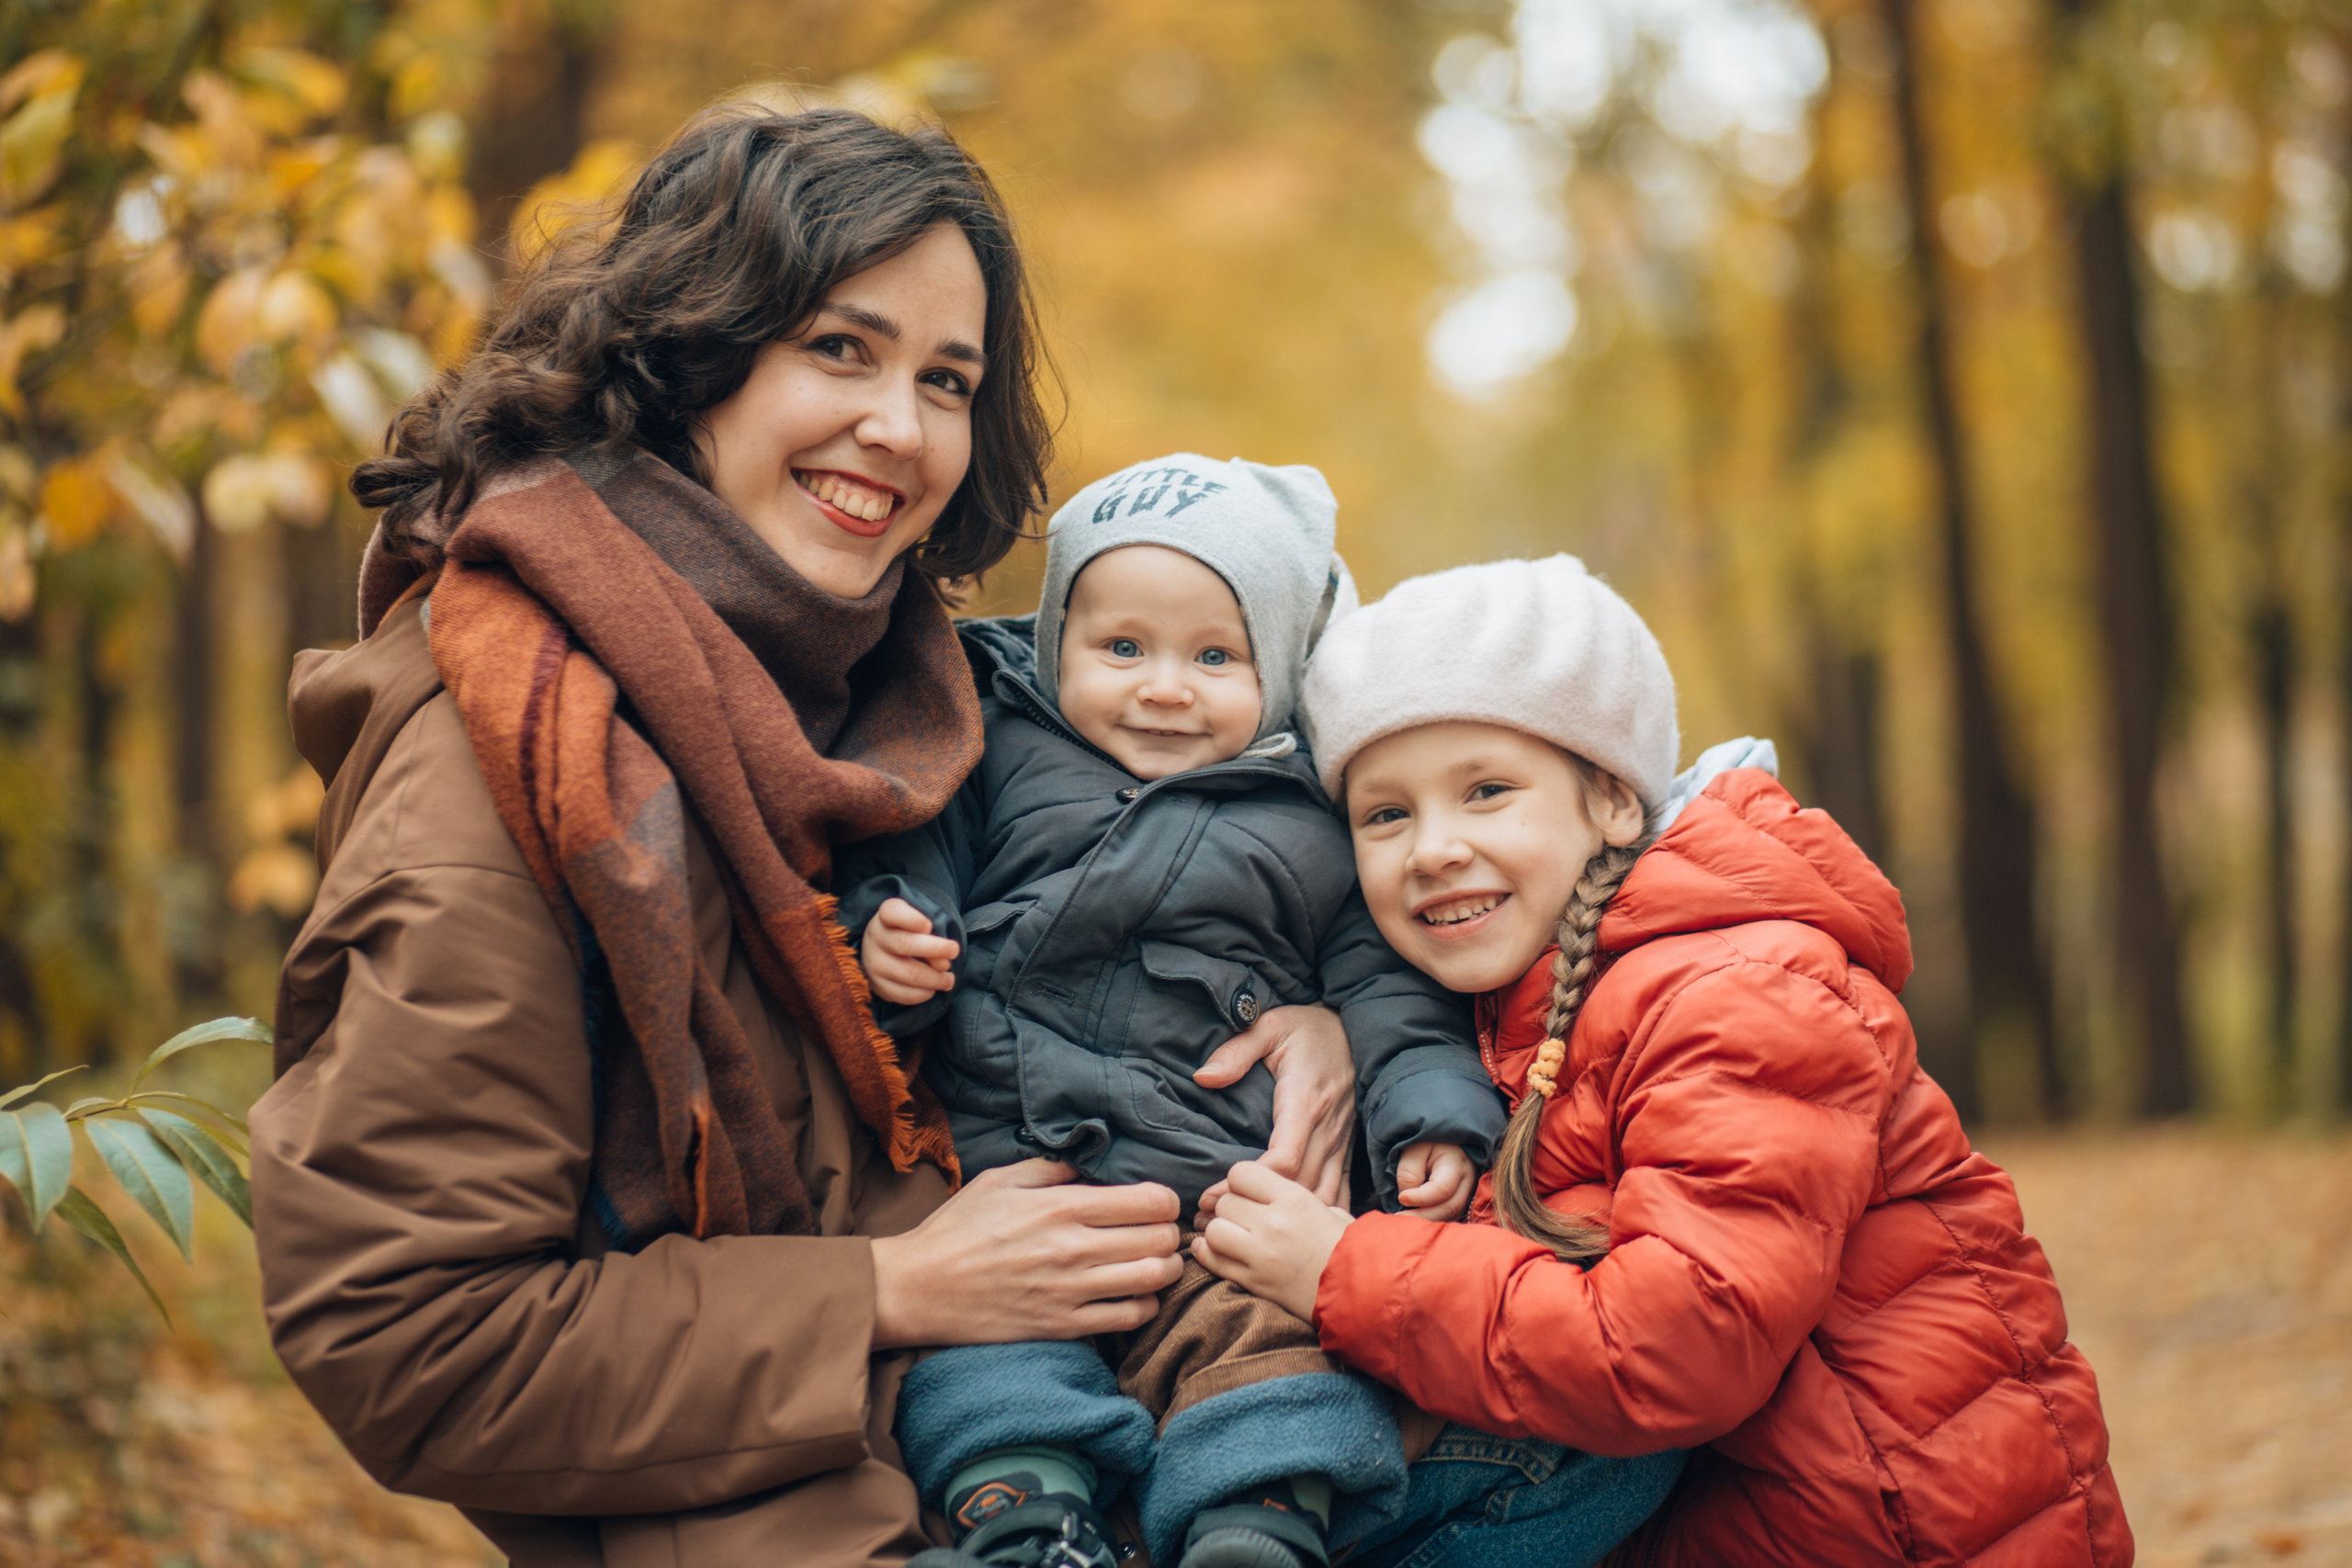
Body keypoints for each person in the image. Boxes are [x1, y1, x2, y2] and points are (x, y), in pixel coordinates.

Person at [249, 107, 1360, 1568]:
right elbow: (411, 1331)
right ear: (687, 354)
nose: (899, 429)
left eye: (945, 379)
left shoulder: (901, 699)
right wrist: (888, 1291)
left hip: (1078, 1416)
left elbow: (1166, 895)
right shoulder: (509, 762)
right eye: (839, 348)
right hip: (825, 1512)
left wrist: (1313, 1020)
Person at [1194, 555, 2134, 1567]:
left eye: (1486, 791)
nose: (1431, 848)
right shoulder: (1494, 1003)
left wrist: (1342, 1270)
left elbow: (1678, 1342)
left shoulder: (1736, 989)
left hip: (1899, 1533)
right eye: (1386, 813)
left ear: (1610, 802)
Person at [835, 454, 1508, 1568]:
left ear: (1281, 671)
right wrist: (892, 926)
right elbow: (910, 846)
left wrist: (1428, 1116)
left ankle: (1256, 1524)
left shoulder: (1308, 825)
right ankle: (1026, 1521)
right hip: (1013, 1179)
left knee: (1274, 1345)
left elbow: (1386, 988)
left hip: (1215, 1198)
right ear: (1057, 644)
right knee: (983, 1368)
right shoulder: (996, 751)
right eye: (1122, 649)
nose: (1163, 686)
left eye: (1213, 656)